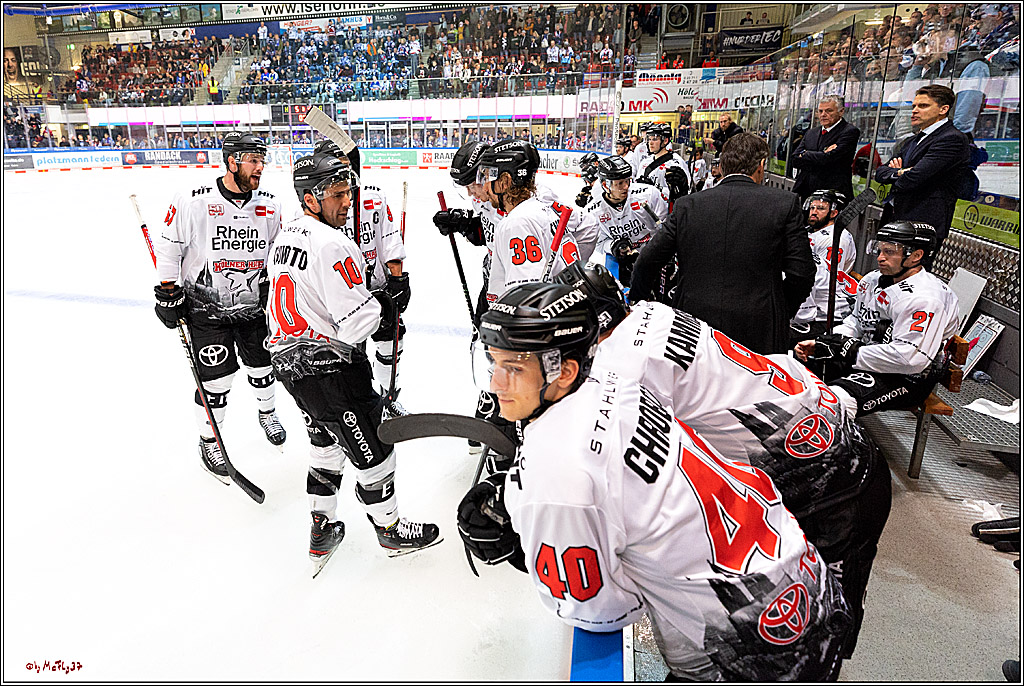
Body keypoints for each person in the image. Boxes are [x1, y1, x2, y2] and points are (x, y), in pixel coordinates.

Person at [458, 282, 851, 681]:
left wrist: (522, 549)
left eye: (514, 368)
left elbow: (601, 611)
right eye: (493, 363)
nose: (495, 384)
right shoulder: (621, 385)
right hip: (804, 576)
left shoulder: (558, 473)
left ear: (566, 370)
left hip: (756, 643)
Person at [557, 260, 891, 660]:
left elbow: (618, 458)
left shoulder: (623, 365)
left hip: (838, 484)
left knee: (814, 636)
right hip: (826, 439)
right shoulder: (651, 313)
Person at [266, 153, 440, 576]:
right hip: (331, 370)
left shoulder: (287, 235)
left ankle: (321, 527)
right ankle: (391, 530)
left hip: (291, 368)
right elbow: (357, 323)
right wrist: (386, 302)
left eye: (349, 192)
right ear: (311, 198)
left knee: (325, 443)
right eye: (337, 194)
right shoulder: (334, 243)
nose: (348, 202)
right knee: (374, 452)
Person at [153, 132, 287, 484]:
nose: (260, 168)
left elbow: (279, 252)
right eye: (253, 161)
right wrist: (168, 293)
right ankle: (209, 440)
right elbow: (169, 247)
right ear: (231, 162)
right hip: (205, 309)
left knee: (263, 365)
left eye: (262, 160)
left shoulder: (270, 204)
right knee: (217, 378)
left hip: (256, 308)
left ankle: (268, 413)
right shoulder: (193, 200)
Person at [631, 133, 814, 355]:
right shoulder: (784, 203)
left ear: (724, 165)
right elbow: (801, 273)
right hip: (759, 328)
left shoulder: (688, 206)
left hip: (692, 326)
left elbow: (647, 261)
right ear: (761, 165)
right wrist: (778, 310)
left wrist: (641, 303)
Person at [796, 221, 959, 417]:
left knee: (832, 404)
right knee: (794, 370)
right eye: (879, 250)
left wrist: (852, 352)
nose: (880, 258)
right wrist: (824, 342)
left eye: (890, 252)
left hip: (906, 378)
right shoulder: (872, 280)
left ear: (916, 255)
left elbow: (909, 359)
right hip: (867, 357)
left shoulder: (926, 299)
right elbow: (857, 320)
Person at [312, 140, 409, 413]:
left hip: (376, 289)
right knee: (345, 354)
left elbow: (389, 238)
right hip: (338, 296)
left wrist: (398, 278)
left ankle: (389, 397)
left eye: (346, 167)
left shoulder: (373, 197)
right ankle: (357, 402)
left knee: (391, 343)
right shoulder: (316, 208)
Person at [874, 85, 970, 256]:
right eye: (914, 106)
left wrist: (900, 173)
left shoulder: (952, 139)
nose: (915, 111)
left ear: (943, 109)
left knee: (911, 278)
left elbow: (914, 178)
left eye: (923, 106)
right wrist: (901, 172)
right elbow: (880, 173)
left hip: (922, 226)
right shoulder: (913, 140)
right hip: (897, 219)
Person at [576, 155, 668, 289]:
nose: (625, 187)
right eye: (619, 183)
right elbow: (598, 243)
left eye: (627, 181)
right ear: (605, 185)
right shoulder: (592, 211)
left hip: (655, 254)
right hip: (623, 262)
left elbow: (664, 226)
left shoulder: (649, 194)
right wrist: (613, 246)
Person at [790, 190, 858, 347]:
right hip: (815, 296)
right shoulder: (809, 231)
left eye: (820, 208)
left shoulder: (836, 239)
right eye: (812, 208)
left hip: (831, 305)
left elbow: (825, 278)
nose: (814, 212)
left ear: (833, 213)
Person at [790, 96, 860, 201]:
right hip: (806, 193)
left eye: (829, 111)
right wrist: (822, 154)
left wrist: (805, 154)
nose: (823, 115)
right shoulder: (811, 133)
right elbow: (795, 159)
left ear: (841, 112)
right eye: (820, 111)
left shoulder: (849, 131)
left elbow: (829, 159)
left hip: (832, 194)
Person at [632, 122, 690, 202]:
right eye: (649, 139)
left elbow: (686, 190)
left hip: (666, 210)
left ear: (665, 140)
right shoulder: (645, 162)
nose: (650, 143)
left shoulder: (676, 162)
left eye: (655, 139)